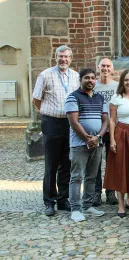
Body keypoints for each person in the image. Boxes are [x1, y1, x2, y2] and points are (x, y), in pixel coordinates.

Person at [32, 45, 80, 216]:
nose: (63, 60)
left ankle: (63, 199)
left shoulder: (75, 76)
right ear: (56, 57)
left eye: (66, 57)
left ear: (71, 58)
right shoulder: (45, 75)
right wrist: (47, 113)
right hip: (51, 122)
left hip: (70, 123)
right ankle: (49, 201)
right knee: (51, 163)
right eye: (60, 56)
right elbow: (36, 99)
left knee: (66, 162)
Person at [64, 68, 108, 222]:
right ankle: (75, 209)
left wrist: (98, 137)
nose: (90, 80)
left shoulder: (100, 98)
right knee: (76, 177)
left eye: (92, 78)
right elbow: (73, 122)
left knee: (91, 176)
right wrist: (88, 138)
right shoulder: (73, 97)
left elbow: (105, 121)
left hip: (97, 144)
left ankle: (88, 205)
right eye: (86, 78)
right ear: (81, 80)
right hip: (79, 144)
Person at [103, 70, 129, 217]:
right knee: (121, 168)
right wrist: (113, 139)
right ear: (122, 82)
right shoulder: (116, 98)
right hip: (121, 134)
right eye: (126, 80)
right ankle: (121, 205)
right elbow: (112, 120)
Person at [93, 58, 119, 206]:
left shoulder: (116, 86)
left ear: (112, 68)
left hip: (112, 130)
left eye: (108, 66)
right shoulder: (94, 85)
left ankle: (110, 192)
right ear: (98, 67)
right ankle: (96, 192)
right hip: (97, 129)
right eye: (103, 65)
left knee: (111, 162)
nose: (105, 68)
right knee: (96, 162)